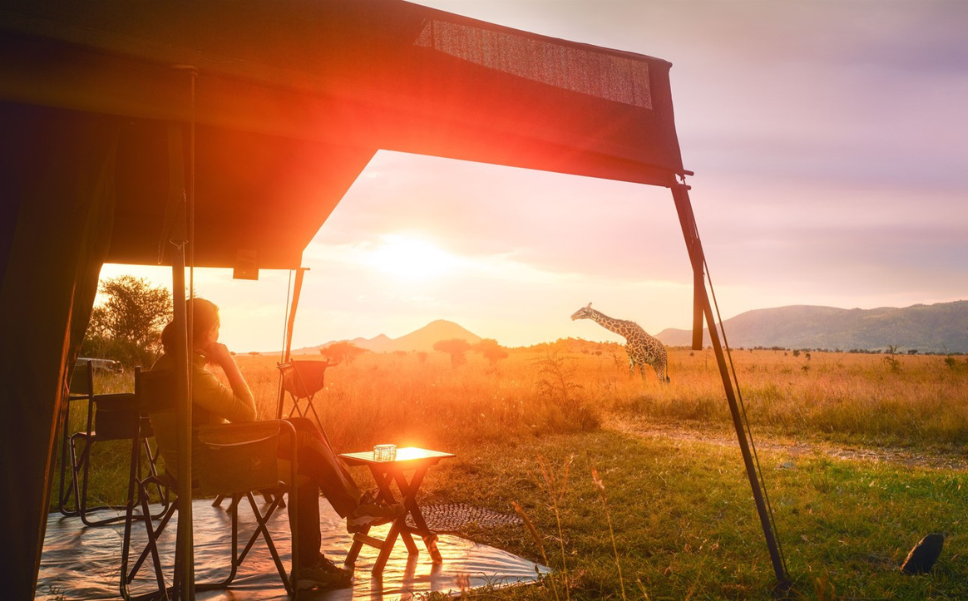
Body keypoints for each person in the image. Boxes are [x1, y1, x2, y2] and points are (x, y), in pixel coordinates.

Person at [151, 298, 403, 590]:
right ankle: (334, 535)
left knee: (302, 431)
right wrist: (228, 361)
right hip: (207, 466)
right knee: (303, 461)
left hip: (195, 458)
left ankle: (354, 512)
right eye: (217, 327)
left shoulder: (166, 365)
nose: (220, 334)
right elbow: (247, 415)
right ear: (207, 333)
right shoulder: (191, 374)